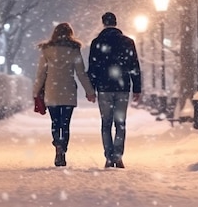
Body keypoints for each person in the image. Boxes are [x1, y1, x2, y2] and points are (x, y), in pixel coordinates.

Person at [33, 22, 96, 167]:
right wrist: (90, 91)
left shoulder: (47, 50)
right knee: (65, 123)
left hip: (52, 90)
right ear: (70, 34)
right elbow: (81, 73)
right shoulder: (74, 50)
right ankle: (63, 148)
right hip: (68, 91)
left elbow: (41, 74)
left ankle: (57, 146)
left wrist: (36, 92)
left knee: (55, 122)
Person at [87, 12, 142, 168]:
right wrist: (137, 88)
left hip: (104, 88)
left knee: (106, 123)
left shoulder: (96, 42)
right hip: (122, 87)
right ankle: (118, 156)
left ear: (103, 23)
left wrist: (90, 89)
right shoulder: (128, 42)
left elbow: (93, 67)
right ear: (116, 23)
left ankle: (109, 156)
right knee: (120, 123)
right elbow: (134, 66)